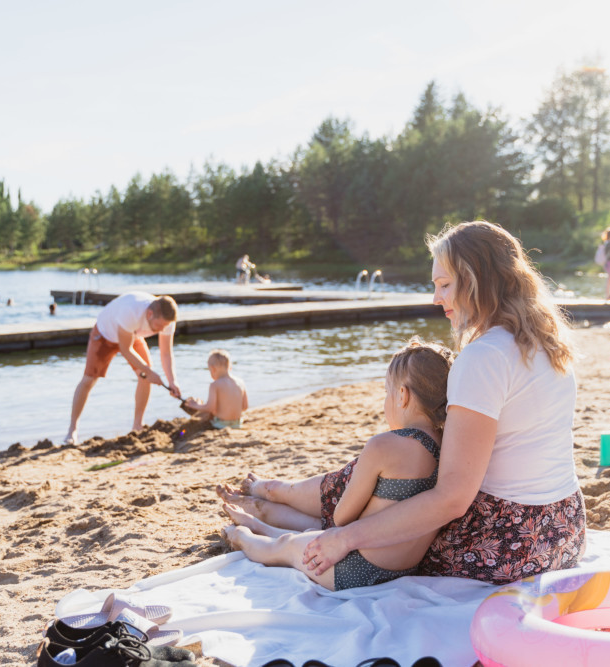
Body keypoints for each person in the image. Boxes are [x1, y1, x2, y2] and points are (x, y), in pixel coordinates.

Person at [223, 220, 585, 585]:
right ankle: (276, 507)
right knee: (397, 466)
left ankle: (284, 510)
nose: (436, 298)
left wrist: (345, 538)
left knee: (389, 474)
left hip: (512, 542)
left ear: (477, 281)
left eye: (444, 285)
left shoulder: (484, 357)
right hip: (564, 528)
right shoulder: (547, 345)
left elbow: (452, 500)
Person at [221, 338, 454, 591]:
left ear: (402, 396)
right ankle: (258, 524)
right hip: (402, 570)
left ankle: (240, 536)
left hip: (354, 570)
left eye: (387, 393)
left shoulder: (383, 446)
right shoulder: (450, 447)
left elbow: (341, 517)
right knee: (308, 534)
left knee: (286, 546)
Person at [64, 292, 181, 444]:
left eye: (165, 326)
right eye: (159, 326)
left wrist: (172, 381)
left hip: (132, 335)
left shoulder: (167, 320)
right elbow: (125, 350)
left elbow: (166, 353)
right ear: (150, 314)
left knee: (145, 377)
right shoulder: (131, 311)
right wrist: (149, 371)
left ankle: (137, 426)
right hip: (105, 335)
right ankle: (72, 430)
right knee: (89, 380)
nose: (161, 330)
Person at [184, 349, 249, 429]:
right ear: (230, 367)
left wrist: (196, 405)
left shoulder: (215, 385)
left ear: (213, 369)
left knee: (204, 417)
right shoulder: (240, 382)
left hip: (221, 424)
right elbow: (245, 406)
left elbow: (210, 408)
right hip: (237, 423)